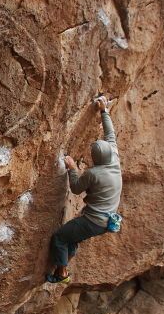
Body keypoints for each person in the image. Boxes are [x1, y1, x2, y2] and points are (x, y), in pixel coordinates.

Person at [47, 95, 122, 284]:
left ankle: (62, 273)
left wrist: (72, 168)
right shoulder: (114, 158)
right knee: (72, 238)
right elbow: (110, 133)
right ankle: (62, 264)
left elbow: (75, 188)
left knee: (60, 237)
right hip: (106, 221)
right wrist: (103, 110)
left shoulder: (94, 173)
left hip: (93, 221)